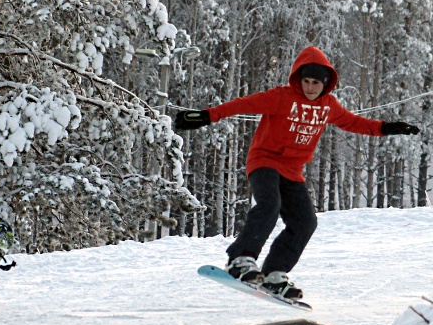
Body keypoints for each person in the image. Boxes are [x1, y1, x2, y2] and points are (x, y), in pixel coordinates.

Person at [175, 45, 420, 299]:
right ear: (298, 80)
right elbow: (244, 104)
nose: (311, 88)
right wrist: (207, 116)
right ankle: (240, 258)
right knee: (270, 204)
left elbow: (353, 122)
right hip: (264, 161)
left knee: (305, 222)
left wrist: (388, 127)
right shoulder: (281, 97)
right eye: (306, 81)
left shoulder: (329, 105)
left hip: (292, 171)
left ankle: (274, 273)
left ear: (325, 84)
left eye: (316, 83)